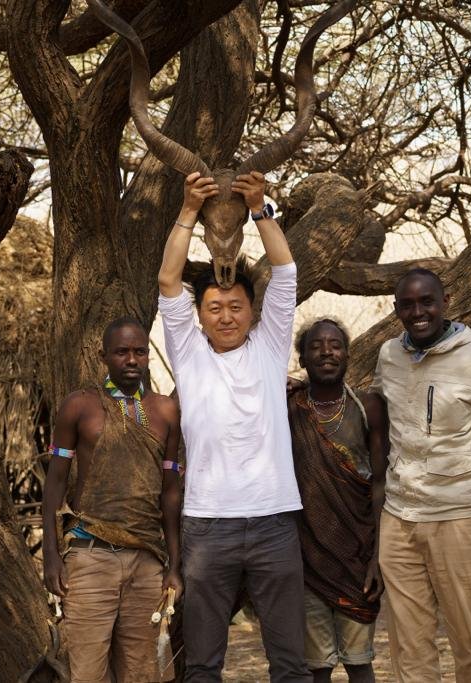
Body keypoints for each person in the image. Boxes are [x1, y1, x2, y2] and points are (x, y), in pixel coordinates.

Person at [158, 170, 310, 682]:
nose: (226, 316)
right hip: (207, 527)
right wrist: (187, 210)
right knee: (203, 664)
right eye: (215, 308)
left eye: (236, 307)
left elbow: (285, 272)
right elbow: (168, 282)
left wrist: (260, 208)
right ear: (200, 316)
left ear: (252, 311)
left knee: (289, 663)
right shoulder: (190, 354)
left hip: (274, 523)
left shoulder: (269, 347)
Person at [371, 268, 471, 683]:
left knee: (470, 637)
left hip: (460, 516)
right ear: (396, 309)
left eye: (427, 302)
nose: (418, 312)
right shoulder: (389, 356)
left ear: (445, 303)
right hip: (399, 517)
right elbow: (376, 412)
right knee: (409, 642)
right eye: (408, 305)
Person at [42, 317, 183, 683]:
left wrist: (174, 564)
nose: (132, 360)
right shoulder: (80, 405)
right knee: (87, 672)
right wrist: (51, 555)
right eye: (121, 352)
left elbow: (170, 492)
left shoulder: (166, 410)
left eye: (140, 352)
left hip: (147, 560)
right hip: (90, 555)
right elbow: (55, 482)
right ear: (102, 356)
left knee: (144, 671)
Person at [289, 319, 387, 683]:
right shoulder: (288, 407)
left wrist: (378, 556)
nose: (326, 352)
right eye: (316, 346)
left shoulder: (368, 407)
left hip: (358, 557)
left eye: (335, 345)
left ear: (347, 354)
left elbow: (381, 483)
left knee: (359, 663)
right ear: (302, 358)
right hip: (306, 558)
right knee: (317, 668)